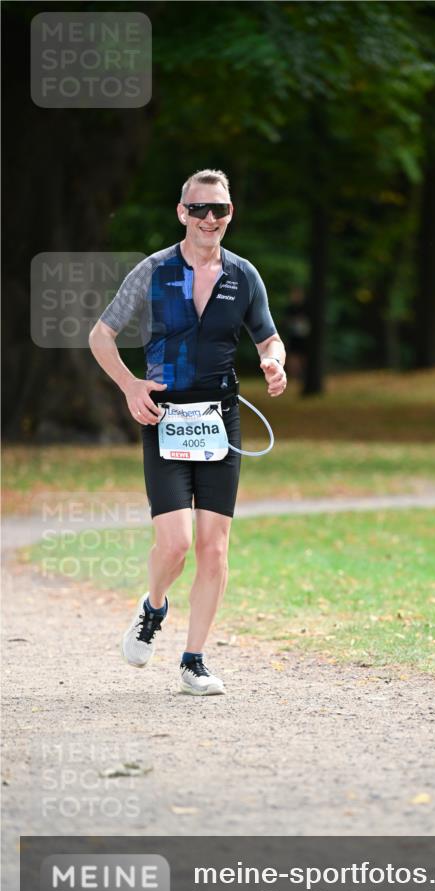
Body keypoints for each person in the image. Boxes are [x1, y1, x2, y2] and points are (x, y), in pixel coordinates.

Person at [88, 168, 286, 696]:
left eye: (218, 210)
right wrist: (131, 386)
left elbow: (269, 337)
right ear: (182, 213)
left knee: (214, 550)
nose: (209, 218)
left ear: (229, 215)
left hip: (220, 420)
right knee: (174, 545)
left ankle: (194, 660)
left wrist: (274, 363)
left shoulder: (243, 276)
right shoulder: (152, 272)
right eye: (199, 209)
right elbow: (101, 335)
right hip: (165, 417)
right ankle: (153, 607)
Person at [283, 286, 310, 384]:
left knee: (303, 356)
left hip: (304, 336)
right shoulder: (290, 308)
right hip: (293, 336)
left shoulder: (307, 307)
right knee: (293, 356)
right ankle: (296, 376)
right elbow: (286, 322)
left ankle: (303, 375)